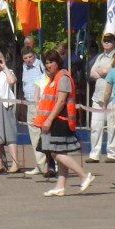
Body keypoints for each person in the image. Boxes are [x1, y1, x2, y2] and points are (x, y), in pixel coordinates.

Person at [37, 49, 96, 196]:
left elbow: (61, 101)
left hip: (60, 120)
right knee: (59, 152)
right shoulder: (54, 77)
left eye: (51, 62)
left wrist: (49, 120)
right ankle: (60, 186)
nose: (48, 65)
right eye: (46, 63)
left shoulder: (62, 77)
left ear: (58, 63)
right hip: (55, 119)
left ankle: (84, 175)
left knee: (56, 153)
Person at [20, 49, 53, 177]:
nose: (28, 60)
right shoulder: (24, 68)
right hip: (30, 104)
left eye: (30, 57)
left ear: (34, 56)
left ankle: (50, 164)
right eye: (25, 58)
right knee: (34, 136)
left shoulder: (41, 65)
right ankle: (40, 165)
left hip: (42, 104)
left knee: (44, 134)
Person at [86, 33, 115, 162]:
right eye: (105, 40)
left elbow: (106, 71)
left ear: (114, 42)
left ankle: (112, 154)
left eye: (109, 40)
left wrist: (101, 72)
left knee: (112, 126)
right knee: (95, 126)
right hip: (98, 96)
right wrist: (102, 72)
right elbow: (92, 73)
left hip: (112, 95)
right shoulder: (99, 57)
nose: (107, 42)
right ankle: (94, 154)